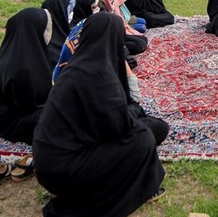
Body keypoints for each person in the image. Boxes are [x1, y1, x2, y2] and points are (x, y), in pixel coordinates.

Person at [34, 13, 166, 216]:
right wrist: (134, 110)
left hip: (54, 164)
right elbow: (121, 127)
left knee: (148, 128)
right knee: (143, 138)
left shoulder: (79, 67)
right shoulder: (97, 76)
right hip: (64, 172)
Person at [52, 15, 169, 145]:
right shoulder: (95, 72)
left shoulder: (86, 59)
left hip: (95, 124)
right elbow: (111, 118)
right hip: (92, 132)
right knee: (154, 131)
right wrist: (134, 109)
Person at [0, 8, 52, 144]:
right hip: (11, 124)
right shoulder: (23, 67)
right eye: (46, 28)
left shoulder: (20, 52)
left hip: (18, 115)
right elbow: (32, 105)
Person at [41, 0, 74, 68]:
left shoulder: (67, 33)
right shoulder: (47, 47)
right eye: (69, 10)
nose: (72, 14)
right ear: (60, 12)